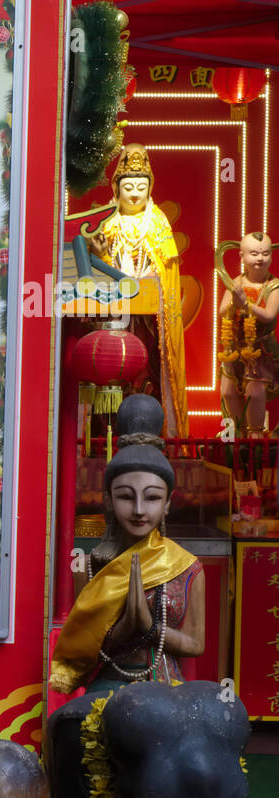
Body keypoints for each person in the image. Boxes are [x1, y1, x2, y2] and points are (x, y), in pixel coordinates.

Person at [51, 394, 205, 695]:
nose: (138, 509)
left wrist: (150, 629)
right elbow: (84, 642)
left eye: (151, 497)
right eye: (124, 496)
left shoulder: (187, 567)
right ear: (107, 500)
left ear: (168, 503)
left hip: (165, 687)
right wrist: (122, 630)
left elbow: (196, 644)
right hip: (109, 684)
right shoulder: (89, 566)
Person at [87, 145, 188, 437]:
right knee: (111, 375)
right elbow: (95, 271)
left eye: (141, 187)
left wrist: (148, 283)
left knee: (145, 371)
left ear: (150, 189)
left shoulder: (157, 224)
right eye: (128, 186)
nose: (134, 193)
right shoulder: (107, 223)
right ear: (116, 189)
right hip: (115, 317)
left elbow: (166, 274)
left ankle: (151, 430)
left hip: (146, 320)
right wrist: (104, 256)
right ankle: (105, 435)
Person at [218, 232, 279, 437]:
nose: (260, 258)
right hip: (234, 347)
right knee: (227, 390)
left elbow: (269, 315)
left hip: (259, 350)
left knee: (255, 391)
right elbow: (222, 311)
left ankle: (255, 436)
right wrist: (235, 305)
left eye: (265, 254)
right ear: (242, 257)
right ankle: (236, 436)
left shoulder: (274, 286)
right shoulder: (237, 282)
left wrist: (246, 304)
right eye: (254, 253)